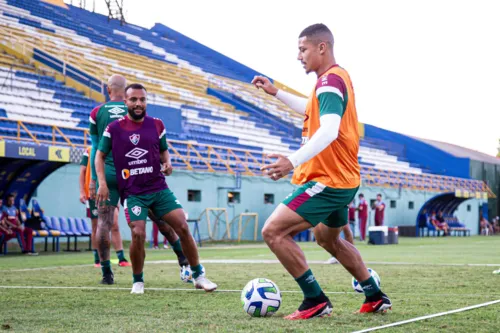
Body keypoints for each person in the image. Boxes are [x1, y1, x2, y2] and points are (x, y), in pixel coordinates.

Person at [252, 23, 391, 319]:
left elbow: (328, 130)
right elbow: (312, 109)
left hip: (327, 180)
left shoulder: (329, 81)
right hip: (343, 179)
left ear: (321, 47)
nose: (299, 56)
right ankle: (374, 295)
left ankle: (315, 300)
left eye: (302, 49)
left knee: (273, 231)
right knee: (329, 239)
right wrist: (276, 92)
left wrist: (291, 160)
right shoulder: (333, 80)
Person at [95, 83, 216, 294]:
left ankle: (198, 275)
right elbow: (99, 155)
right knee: (138, 233)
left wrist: (167, 164)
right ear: (125, 102)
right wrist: (102, 183)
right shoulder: (113, 129)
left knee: (182, 227)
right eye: (133, 99)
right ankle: (138, 281)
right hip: (133, 193)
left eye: (142, 99)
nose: (138, 103)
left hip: (159, 189)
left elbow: (163, 152)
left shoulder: (157, 125)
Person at [79, 147, 131, 268]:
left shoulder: (113, 147)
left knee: (114, 224)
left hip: (110, 191)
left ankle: (121, 258)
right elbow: (82, 171)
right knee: (96, 226)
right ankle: (98, 259)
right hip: (93, 194)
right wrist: (82, 191)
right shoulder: (89, 150)